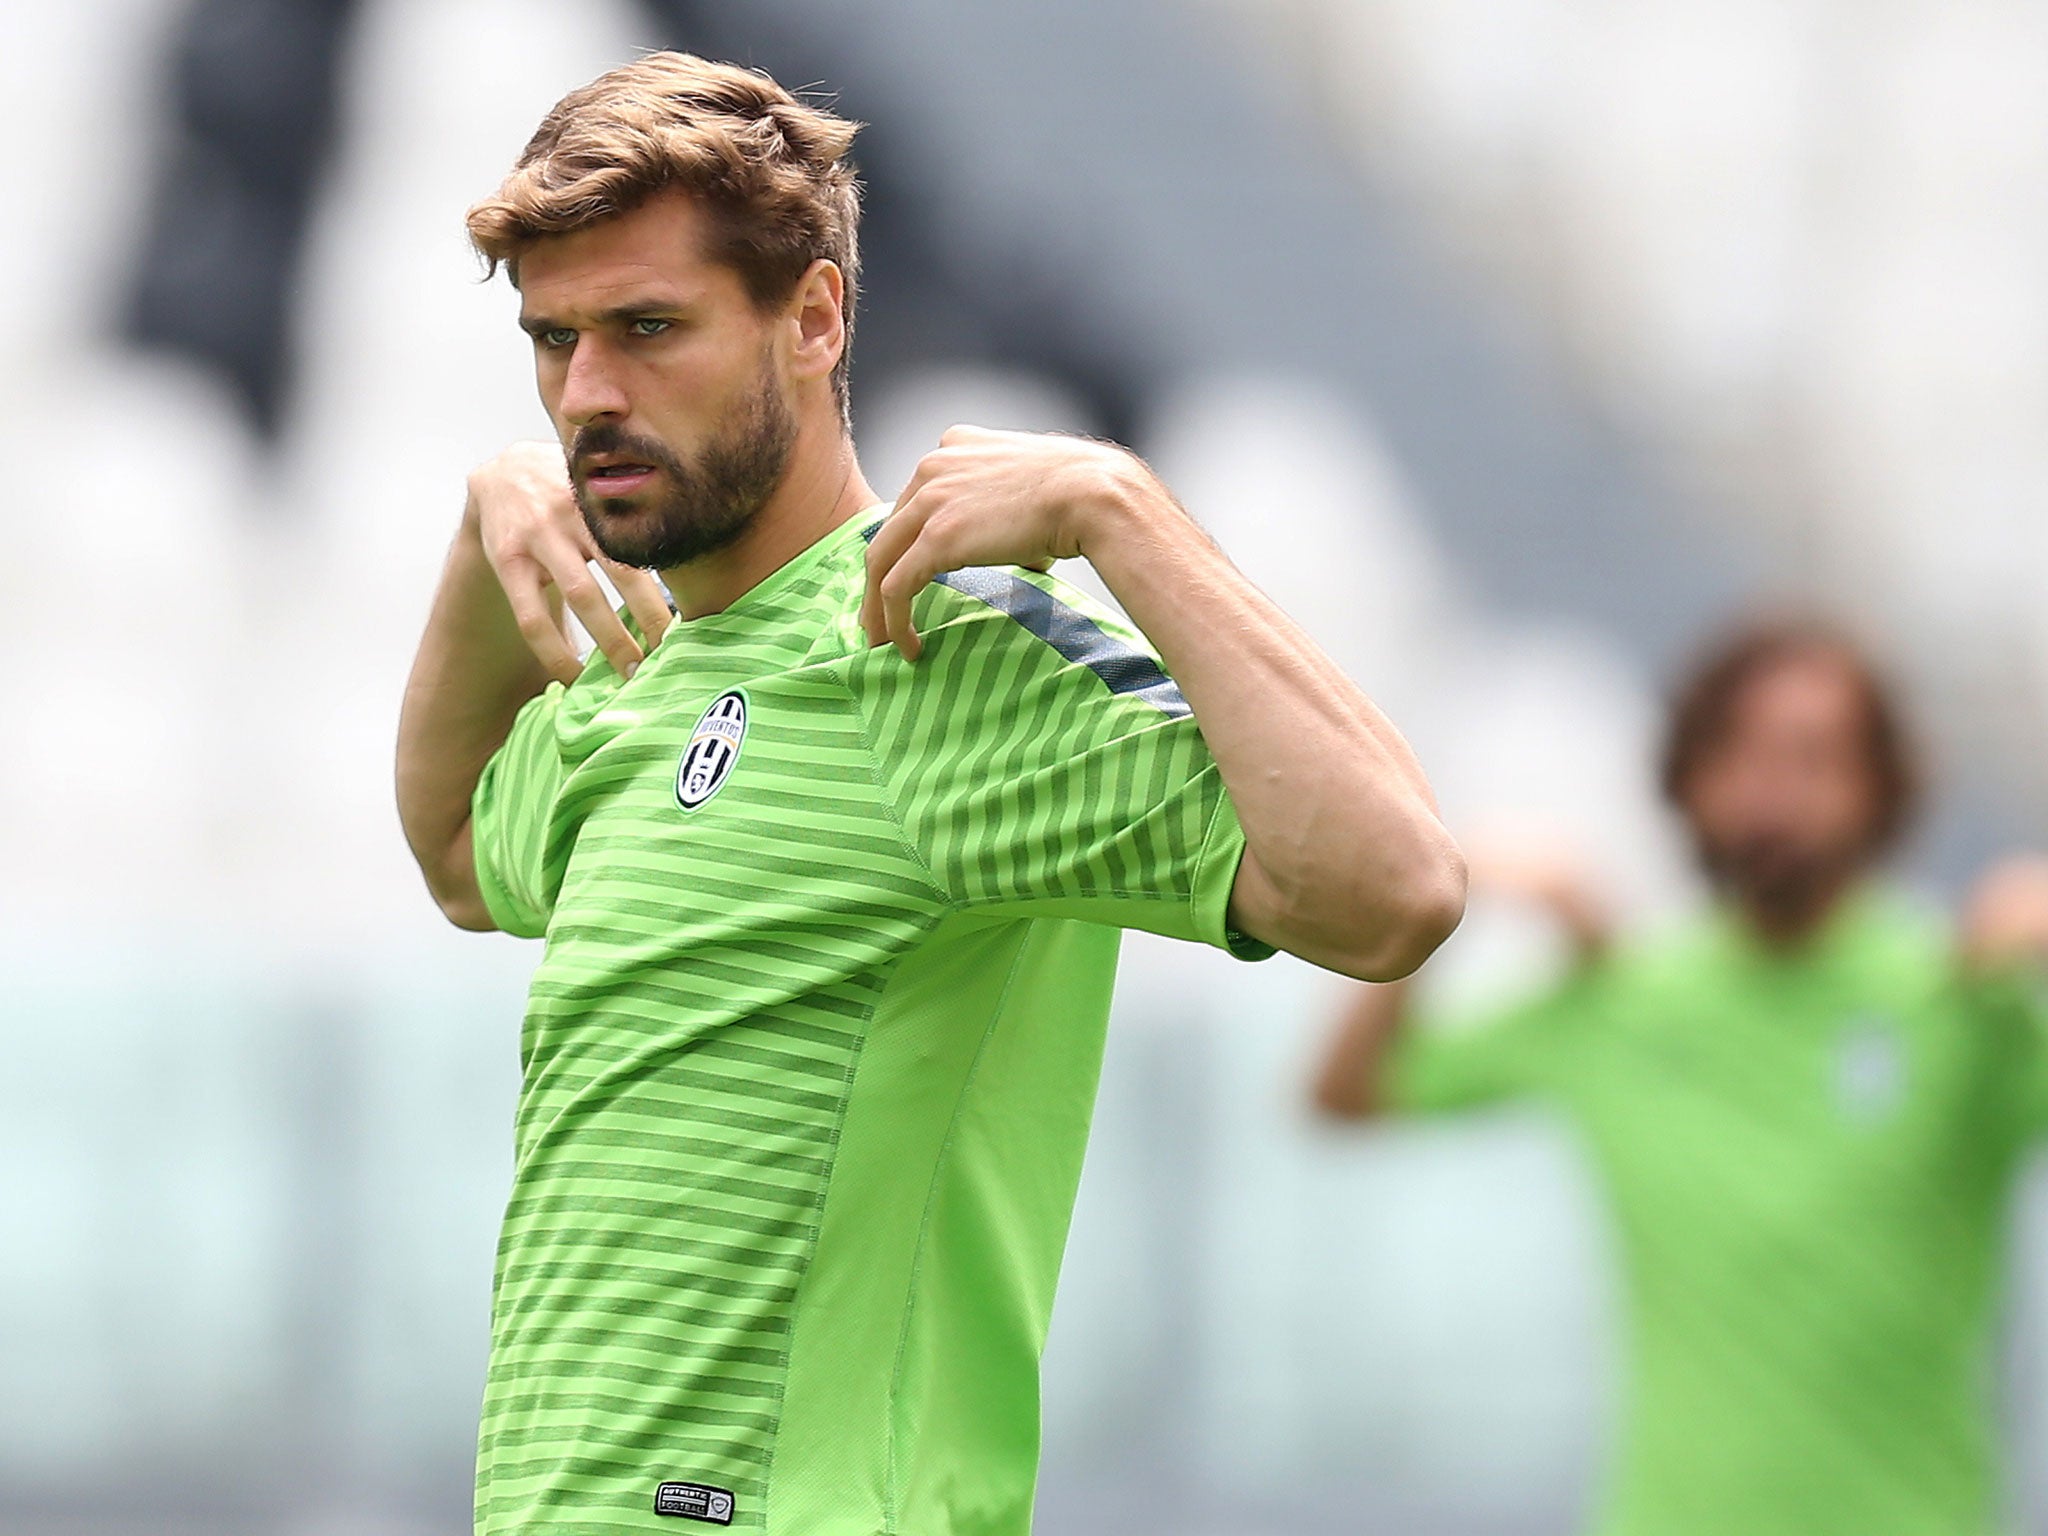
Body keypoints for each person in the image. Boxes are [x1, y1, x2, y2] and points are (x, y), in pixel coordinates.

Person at [394, 52, 1464, 1536]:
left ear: (816, 317)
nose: (590, 396)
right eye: (555, 339)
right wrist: (477, 534)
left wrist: (1122, 510)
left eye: (649, 329)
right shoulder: (637, 667)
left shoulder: (941, 648)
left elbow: (1393, 886)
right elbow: (456, 849)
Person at [1313, 619, 2048, 1536]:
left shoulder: (1960, 999)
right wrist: (1437, 906)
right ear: (1689, 784)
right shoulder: (1624, 1001)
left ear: (1880, 790)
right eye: (1738, 754)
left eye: (1813, 756)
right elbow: (1344, 1097)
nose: (1771, 790)